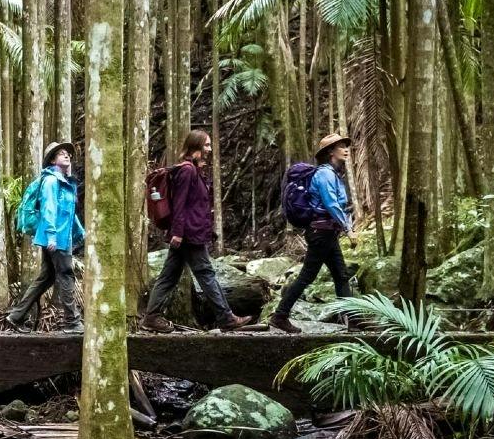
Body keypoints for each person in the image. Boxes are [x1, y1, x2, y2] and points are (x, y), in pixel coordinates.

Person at [139, 131, 251, 332]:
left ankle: (151, 317)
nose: (209, 149)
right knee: (206, 274)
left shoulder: (195, 171)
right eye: (206, 145)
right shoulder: (187, 171)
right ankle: (226, 318)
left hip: (191, 232)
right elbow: (180, 204)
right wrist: (178, 233)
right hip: (188, 235)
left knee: (168, 277)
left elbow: (196, 206)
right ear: (195, 147)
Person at [269, 133, 355, 334]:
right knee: (308, 276)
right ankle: (279, 316)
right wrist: (348, 229)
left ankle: (353, 320)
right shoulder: (324, 174)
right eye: (341, 146)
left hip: (327, 233)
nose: (346, 149)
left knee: (340, 276)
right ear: (330, 152)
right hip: (321, 233)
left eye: (345, 146)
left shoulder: (333, 174)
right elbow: (331, 203)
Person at [6, 141, 85, 334]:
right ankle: (72, 322)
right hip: (55, 237)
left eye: (68, 154)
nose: (67, 156)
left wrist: (81, 232)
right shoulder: (51, 181)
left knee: (46, 277)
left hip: (60, 237)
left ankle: (15, 316)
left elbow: (69, 212)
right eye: (61, 154)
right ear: (52, 160)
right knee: (66, 275)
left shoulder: (66, 183)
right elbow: (49, 209)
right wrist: (51, 236)